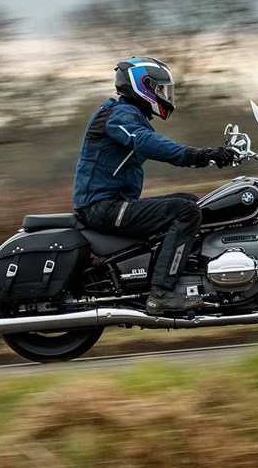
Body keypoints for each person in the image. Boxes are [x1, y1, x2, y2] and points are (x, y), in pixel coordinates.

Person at [72, 57, 234, 315]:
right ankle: (161, 294)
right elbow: (147, 142)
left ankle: (182, 276)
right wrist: (199, 155)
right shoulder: (119, 116)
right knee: (186, 212)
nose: (164, 96)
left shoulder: (127, 114)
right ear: (141, 87)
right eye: (160, 89)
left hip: (113, 204)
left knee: (192, 202)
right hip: (102, 208)